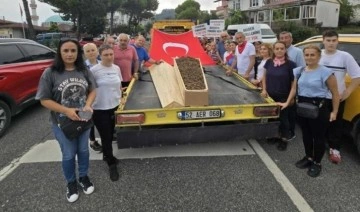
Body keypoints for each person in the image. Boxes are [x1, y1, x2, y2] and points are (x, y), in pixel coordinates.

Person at [35, 39, 96, 203]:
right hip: (62, 123)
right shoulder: (50, 73)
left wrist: (88, 105)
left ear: (78, 53)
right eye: (66, 51)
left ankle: (83, 177)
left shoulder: (84, 70)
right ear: (60, 53)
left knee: (83, 151)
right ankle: (71, 183)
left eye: (73, 51)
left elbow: (92, 90)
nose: (69, 54)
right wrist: (66, 111)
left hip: (83, 120)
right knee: (69, 154)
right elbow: (44, 100)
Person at [294, 45, 339, 177]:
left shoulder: (326, 72)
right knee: (306, 135)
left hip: (319, 108)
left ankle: (317, 163)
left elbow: (335, 93)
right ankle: (308, 157)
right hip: (303, 106)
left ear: (319, 56)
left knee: (318, 137)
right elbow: (295, 89)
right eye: (307, 55)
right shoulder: (301, 70)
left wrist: (334, 111)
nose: (309, 57)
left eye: (312, 55)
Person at [319, 30, 360, 164]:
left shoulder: (344, 56)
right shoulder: (318, 55)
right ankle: (319, 144)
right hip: (319, 96)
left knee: (336, 124)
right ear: (323, 41)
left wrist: (347, 92)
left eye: (333, 40)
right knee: (320, 121)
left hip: (337, 97)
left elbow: (356, 76)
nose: (331, 43)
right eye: (328, 40)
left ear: (337, 41)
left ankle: (334, 149)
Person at [90, 44, 123, 181]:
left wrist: (121, 100)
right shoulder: (94, 70)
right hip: (99, 108)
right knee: (106, 135)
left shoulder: (116, 68)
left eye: (111, 54)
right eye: (106, 55)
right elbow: (89, 89)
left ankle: (106, 154)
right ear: (100, 56)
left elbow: (119, 86)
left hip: (114, 106)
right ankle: (110, 163)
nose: (109, 57)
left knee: (111, 133)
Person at [261, 41, 297, 151]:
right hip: (270, 95)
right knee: (272, 117)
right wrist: (264, 89)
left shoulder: (291, 64)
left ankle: (284, 138)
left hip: (284, 96)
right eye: (277, 48)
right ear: (274, 50)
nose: (279, 50)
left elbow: (293, 84)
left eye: (282, 48)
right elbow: (264, 77)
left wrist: (290, 99)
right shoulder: (269, 62)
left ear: (285, 50)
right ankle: (274, 135)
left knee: (283, 119)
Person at [279, 31, 306, 140]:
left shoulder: (297, 52)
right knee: (282, 111)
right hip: (280, 86)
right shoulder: (278, 51)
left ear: (291, 39)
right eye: (282, 38)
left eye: (286, 38)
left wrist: (295, 87)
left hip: (292, 85)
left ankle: (291, 132)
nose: (284, 40)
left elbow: (301, 68)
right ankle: (282, 130)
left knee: (290, 110)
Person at [83, 43, 102, 151]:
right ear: (84, 54)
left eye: (93, 50)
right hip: (88, 97)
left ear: (97, 51)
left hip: (101, 96)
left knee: (101, 119)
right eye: (88, 51)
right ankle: (92, 141)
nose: (91, 53)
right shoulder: (82, 67)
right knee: (89, 120)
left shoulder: (102, 63)